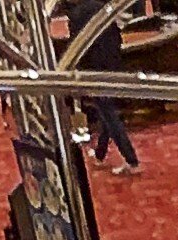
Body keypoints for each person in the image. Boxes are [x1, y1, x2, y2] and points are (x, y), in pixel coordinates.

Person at [57, 0, 139, 173]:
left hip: (95, 69)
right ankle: (101, 154)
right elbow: (116, 35)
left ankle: (132, 160)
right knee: (106, 110)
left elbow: (77, 48)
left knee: (108, 112)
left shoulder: (76, 16)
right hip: (112, 63)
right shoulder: (101, 7)